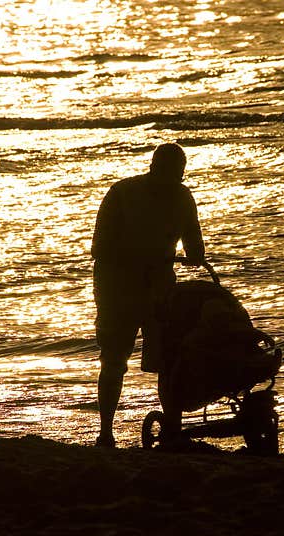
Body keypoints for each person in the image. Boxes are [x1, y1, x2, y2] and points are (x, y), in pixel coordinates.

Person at [91, 143, 205, 448]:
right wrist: (138, 258)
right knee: (114, 359)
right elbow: (99, 249)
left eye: (177, 175)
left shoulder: (182, 197)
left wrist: (191, 254)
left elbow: (195, 246)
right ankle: (105, 431)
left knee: (168, 359)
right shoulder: (122, 193)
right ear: (153, 168)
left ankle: (173, 430)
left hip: (159, 288)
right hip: (117, 288)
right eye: (169, 173)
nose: (173, 181)